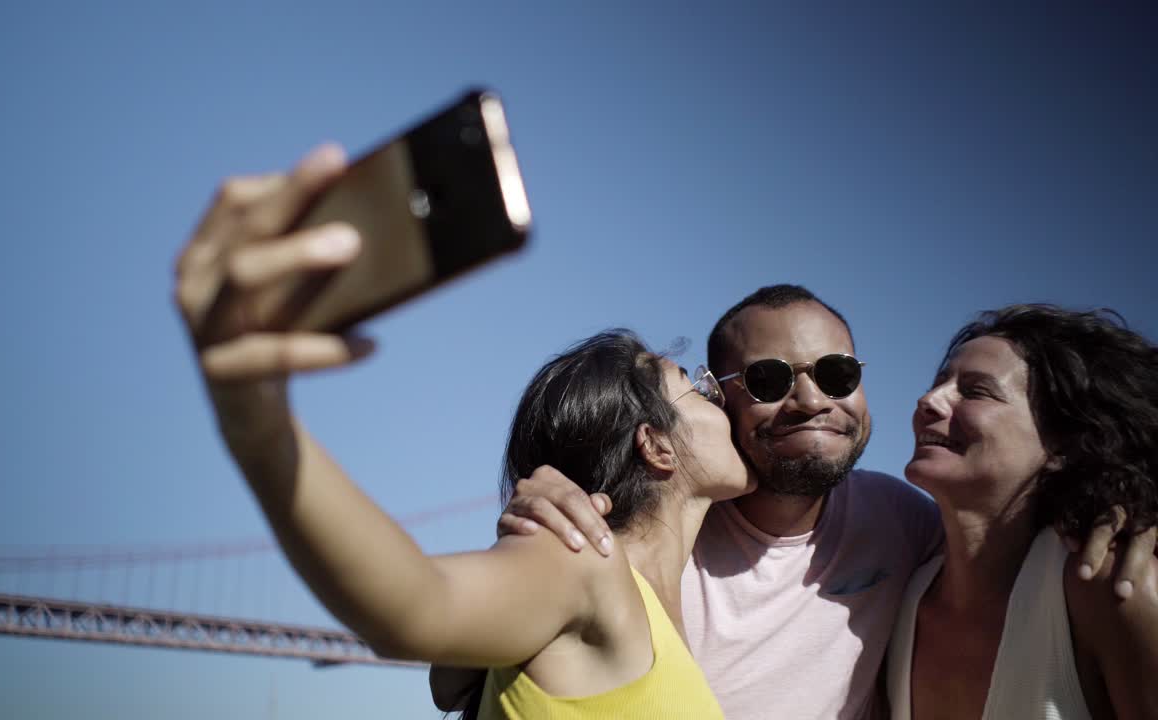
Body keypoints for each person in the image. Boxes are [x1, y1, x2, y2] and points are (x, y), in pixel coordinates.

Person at [173, 145, 752, 719]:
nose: (720, 397)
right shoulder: (582, 560)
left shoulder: (653, 613)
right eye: (693, 384)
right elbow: (417, 606)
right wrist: (258, 424)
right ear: (654, 446)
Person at [466, 285, 1156, 720]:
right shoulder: (651, 537)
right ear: (717, 399)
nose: (810, 398)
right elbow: (456, 674)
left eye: (837, 373)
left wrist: (1129, 508)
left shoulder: (911, 529)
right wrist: (541, 514)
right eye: (767, 379)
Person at [886, 305, 1158, 719]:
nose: (929, 400)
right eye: (939, 383)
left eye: (976, 391)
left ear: (1063, 445)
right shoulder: (899, 593)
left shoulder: (1111, 588)